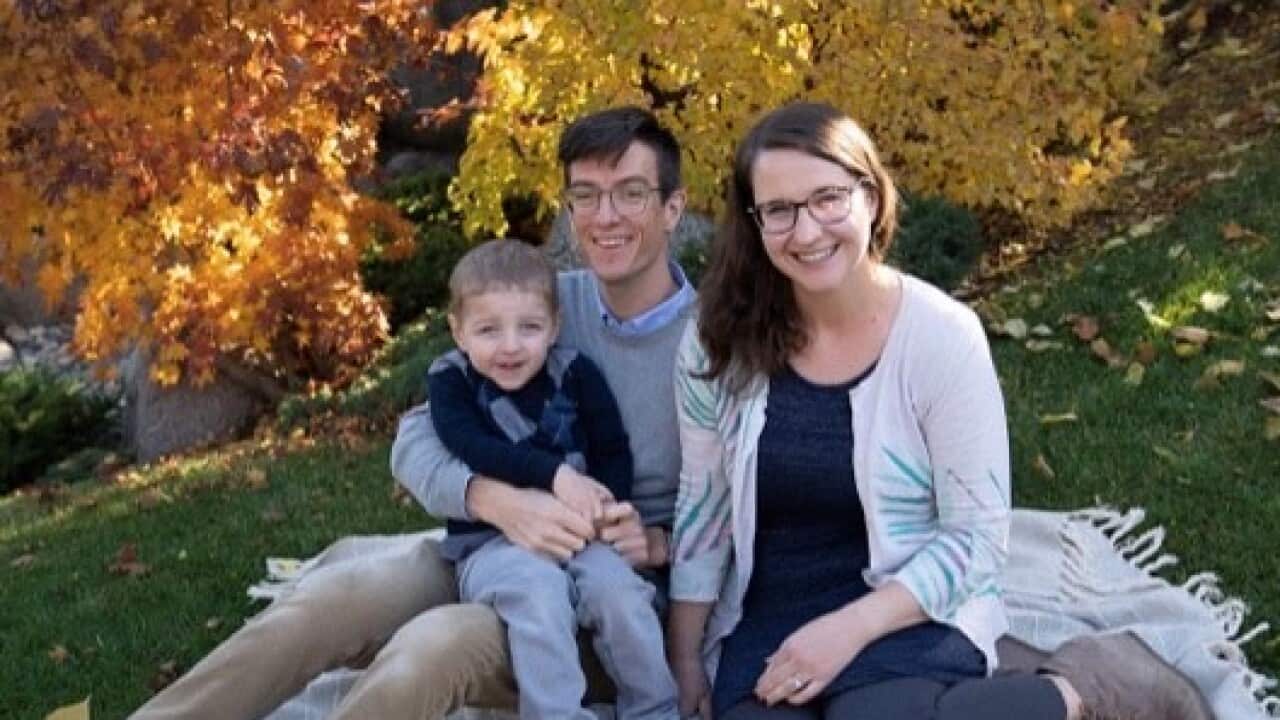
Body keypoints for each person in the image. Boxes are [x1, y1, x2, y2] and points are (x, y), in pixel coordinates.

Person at [130, 105, 1210, 720]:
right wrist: (498, 500)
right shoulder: (537, 310)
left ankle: (1077, 698)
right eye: (584, 197)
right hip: (500, 533)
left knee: (422, 659)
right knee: (334, 598)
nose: (604, 219)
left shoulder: (718, 338)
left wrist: (640, 546)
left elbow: (700, 512)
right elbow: (423, 429)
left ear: (674, 208)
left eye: (628, 195)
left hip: (612, 579)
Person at [665, 102, 1214, 720]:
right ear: (754, 222)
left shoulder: (941, 336)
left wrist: (846, 631)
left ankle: (1080, 689)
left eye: (828, 198)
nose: (808, 230)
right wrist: (685, 660)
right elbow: (704, 503)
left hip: (906, 610)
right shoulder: (717, 342)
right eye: (780, 211)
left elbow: (976, 537)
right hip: (772, 625)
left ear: (869, 197)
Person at [425, 238, 678, 719]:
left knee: (619, 593)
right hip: (493, 545)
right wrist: (556, 475)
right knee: (538, 597)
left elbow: (610, 448)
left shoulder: (575, 372)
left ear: (555, 326)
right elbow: (472, 447)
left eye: (530, 327)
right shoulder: (452, 382)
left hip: (585, 536)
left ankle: (656, 709)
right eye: (488, 330)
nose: (511, 346)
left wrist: (613, 507)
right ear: (457, 331)